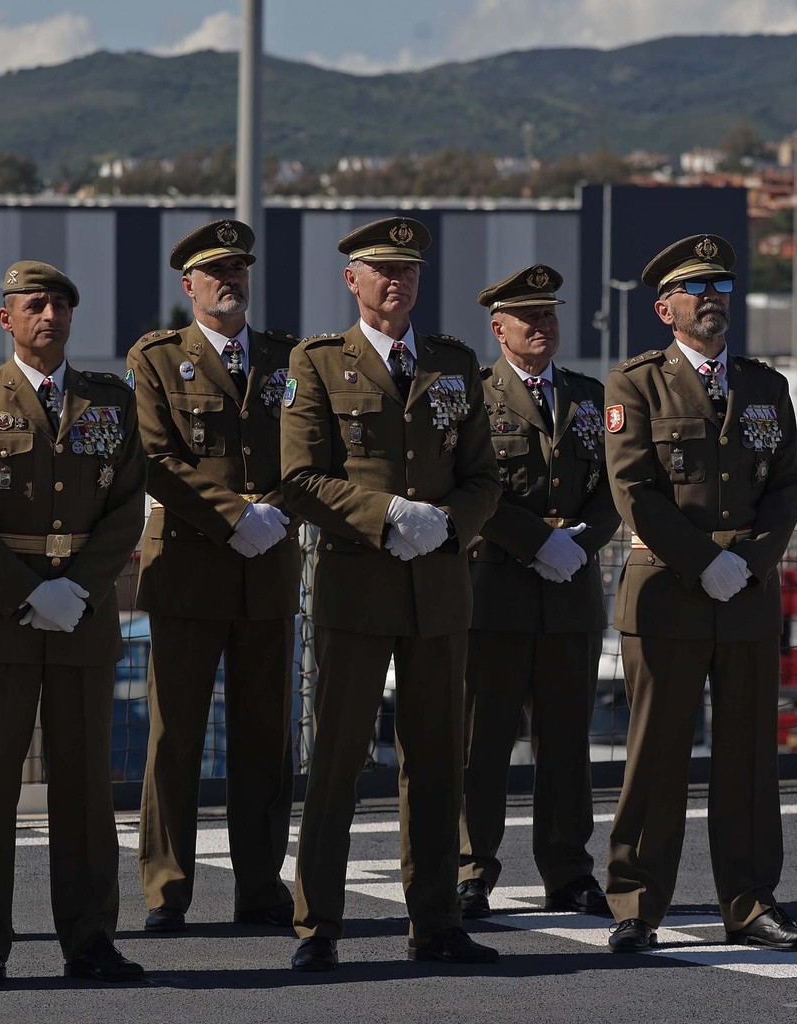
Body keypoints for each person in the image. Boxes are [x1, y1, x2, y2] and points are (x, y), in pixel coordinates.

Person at [281, 216, 502, 971]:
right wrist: (386, 517)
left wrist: (446, 525)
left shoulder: (452, 363)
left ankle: (436, 921)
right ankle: (319, 925)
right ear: (352, 279)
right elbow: (299, 476)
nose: (395, 280)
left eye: (407, 269)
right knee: (338, 761)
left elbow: (484, 477)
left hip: (438, 589)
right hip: (357, 586)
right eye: (381, 268)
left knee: (437, 761)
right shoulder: (316, 364)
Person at [0, 260, 149, 987]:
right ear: (6, 319)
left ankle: (90, 937)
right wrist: (28, 594)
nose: (48, 316)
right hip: (2, 618)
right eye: (34, 305)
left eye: (60, 304)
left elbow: (126, 511)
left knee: (87, 790)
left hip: (82, 617)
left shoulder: (108, 402)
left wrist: (78, 591)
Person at [601, 234, 797, 953]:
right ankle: (636, 905)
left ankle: (751, 902)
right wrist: (703, 563)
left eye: (720, 288)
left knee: (750, 758)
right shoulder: (635, 384)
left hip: (747, 594)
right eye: (697, 290)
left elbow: (787, 483)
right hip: (668, 591)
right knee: (656, 756)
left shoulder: (765, 386)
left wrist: (751, 562)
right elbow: (634, 489)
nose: (713, 300)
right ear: (666, 308)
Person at [128, 220, 299, 933]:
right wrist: (236, 516)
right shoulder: (159, 358)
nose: (229, 279)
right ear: (188, 286)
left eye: (238, 268)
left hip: (267, 569)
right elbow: (154, 459)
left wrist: (276, 512)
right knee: (175, 738)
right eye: (213, 270)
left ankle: (261, 888)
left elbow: (313, 455)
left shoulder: (290, 357)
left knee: (265, 738)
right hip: (190, 569)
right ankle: (167, 890)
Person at [457, 264, 619, 919]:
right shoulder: (472, 395)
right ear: (499, 329)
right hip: (494, 593)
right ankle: (472, 871)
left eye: (549, 314)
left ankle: (569, 870)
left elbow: (615, 486)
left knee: (565, 746)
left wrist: (580, 542)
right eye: (529, 317)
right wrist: (534, 542)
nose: (543, 326)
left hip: (571, 594)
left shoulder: (587, 395)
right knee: (484, 745)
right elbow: (471, 485)